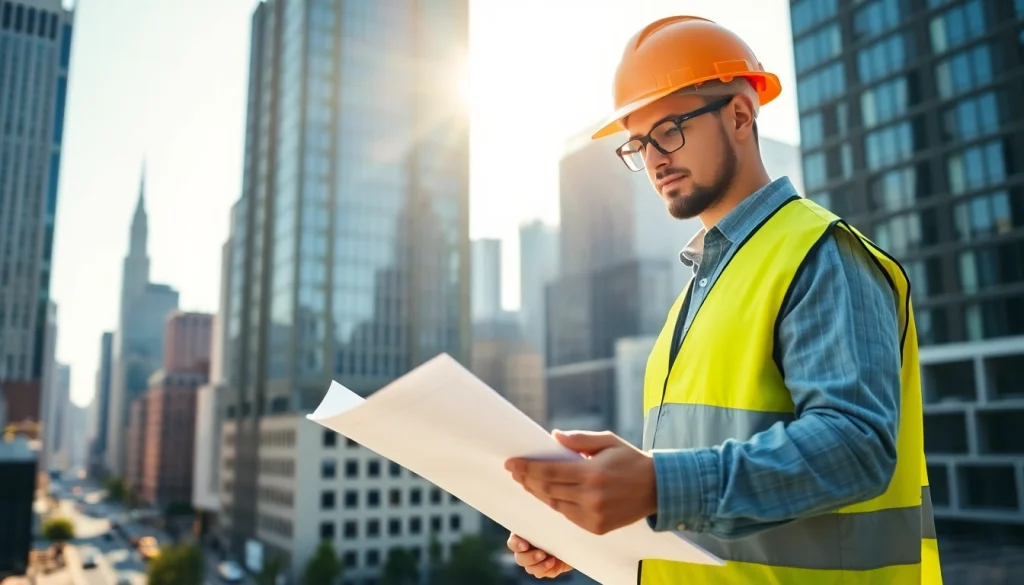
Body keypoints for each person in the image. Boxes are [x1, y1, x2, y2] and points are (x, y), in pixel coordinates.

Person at [504, 15, 943, 584]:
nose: (655, 159)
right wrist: (594, 520)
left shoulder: (819, 254)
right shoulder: (696, 294)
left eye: (669, 130)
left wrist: (658, 485)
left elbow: (856, 447)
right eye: (639, 144)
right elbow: (697, 498)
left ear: (740, 115)